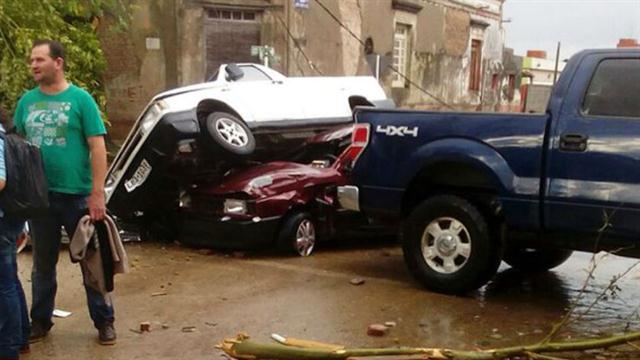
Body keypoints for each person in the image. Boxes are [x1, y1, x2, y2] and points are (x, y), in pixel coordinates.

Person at [13, 39, 114, 345]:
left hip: (78, 196)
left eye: (40, 60)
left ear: (58, 62)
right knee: (42, 263)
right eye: (32, 60)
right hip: (39, 197)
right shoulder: (26, 103)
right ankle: (40, 320)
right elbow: (16, 149)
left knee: (92, 262)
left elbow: (98, 147)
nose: (33, 65)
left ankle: (104, 321)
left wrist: (98, 193)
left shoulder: (81, 100)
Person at [0, 111, 30, 360]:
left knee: (4, 285)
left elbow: (0, 179)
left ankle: (8, 348)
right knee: (9, 280)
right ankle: (21, 337)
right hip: (11, 218)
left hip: (2, 220)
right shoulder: (9, 136)